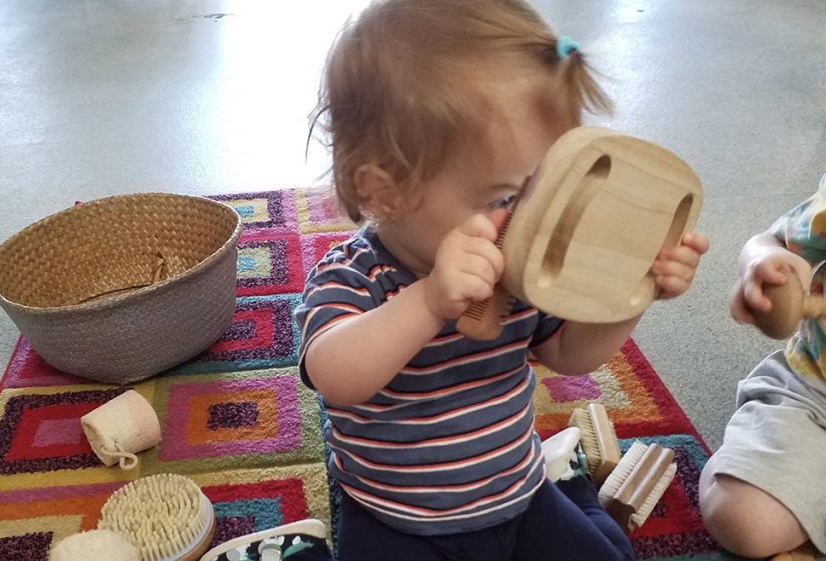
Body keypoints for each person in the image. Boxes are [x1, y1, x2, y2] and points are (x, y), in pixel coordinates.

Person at [294, 1, 709, 560]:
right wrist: (429, 301)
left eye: (546, 187)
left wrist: (633, 293)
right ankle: (580, 495)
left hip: (519, 496)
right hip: (396, 520)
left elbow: (570, 354)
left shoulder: (518, 269)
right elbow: (334, 376)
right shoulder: (354, 277)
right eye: (507, 197)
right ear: (383, 192)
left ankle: (574, 495)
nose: (535, 220)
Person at [701, 173, 826, 559]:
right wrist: (765, 263)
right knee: (743, 518)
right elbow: (770, 242)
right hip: (813, 395)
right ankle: (743, 468)